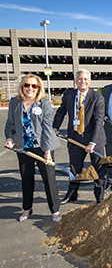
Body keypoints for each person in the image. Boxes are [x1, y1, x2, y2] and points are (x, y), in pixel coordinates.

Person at [4, 74, 62, 222]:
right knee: (26, 178)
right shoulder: (15, 102)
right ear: (22, 87)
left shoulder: (44, 103)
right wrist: (10, 139)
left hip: (43, 147)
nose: (30, 88)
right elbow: (10, 124)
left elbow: (48, 128)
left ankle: (55, 210)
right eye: (27, 85)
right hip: (23, 148)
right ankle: (27, 208)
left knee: (49, 179)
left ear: (38, 88)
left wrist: (48, 152)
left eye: (34, 86)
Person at [53, 69, 107, 204]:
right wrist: (55, 127)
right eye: (80, 79)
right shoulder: (68, 95)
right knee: (74, 169)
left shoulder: (97, 98)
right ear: (76, 80)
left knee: (98, 169)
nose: (83, 81)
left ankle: (99, 197)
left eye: (85, 79)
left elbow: (99, 121)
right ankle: (72, 195)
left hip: (95, 140)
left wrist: (92, 142)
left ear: (90, 81)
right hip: (75, 138)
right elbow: (61, 112)